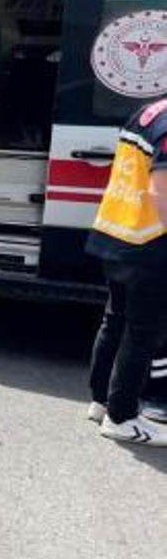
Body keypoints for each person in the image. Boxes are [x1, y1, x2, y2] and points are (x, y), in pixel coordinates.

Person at [86, 97, 167, 444]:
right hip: (149, 242)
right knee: (142, 332)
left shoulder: (151, 112)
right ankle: (121, 417)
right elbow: (161, 191)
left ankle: (101, 401)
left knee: (115, 320)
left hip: (118, 232)